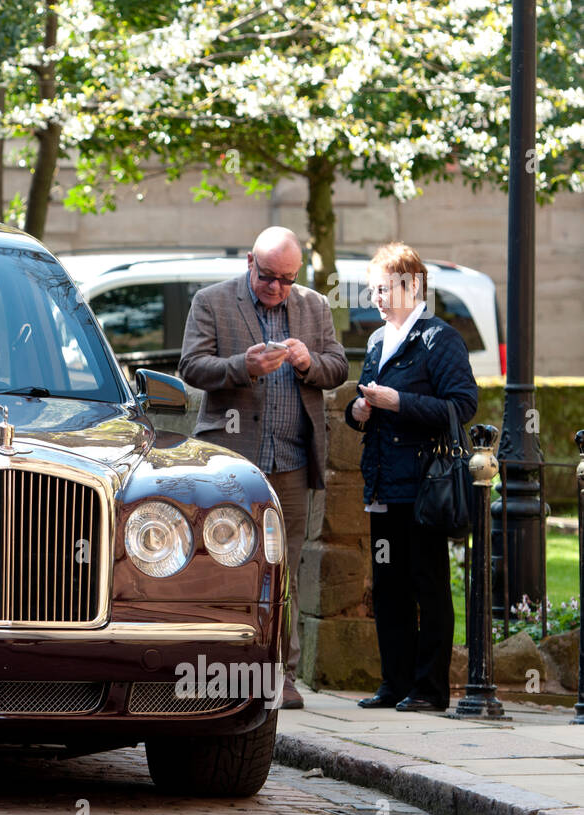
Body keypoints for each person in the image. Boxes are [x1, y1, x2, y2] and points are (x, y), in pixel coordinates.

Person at [179, 226, 349, 709]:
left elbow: (337, 367)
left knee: (285, 570)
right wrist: (242, 366)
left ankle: (280, 675)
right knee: (221, 565)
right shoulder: (211, 301)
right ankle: (217, 672)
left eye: (287, 279)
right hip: (232, 463)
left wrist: (307, 361)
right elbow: (191, 366)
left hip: (292, 462)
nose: (276, 288)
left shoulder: (314, 306)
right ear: (250, 262)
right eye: (269, 276)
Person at [346, 243, 477, 712]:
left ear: (412, 285)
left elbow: (461, 407)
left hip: (423, 488)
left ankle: (430, 690)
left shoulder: (439, 339)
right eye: (372, 289)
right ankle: (395, 684)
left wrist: (397, 403)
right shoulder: (379, 340)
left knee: (428, 586)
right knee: (388, 588)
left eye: (383, 288)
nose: (375, 297)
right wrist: (358, 410)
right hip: (383, 486)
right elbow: (362, 404)